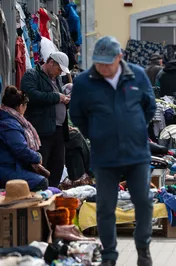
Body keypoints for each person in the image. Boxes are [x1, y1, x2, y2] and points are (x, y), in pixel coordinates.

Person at [70, 36, 156, 266]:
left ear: (119, 57)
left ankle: (143, 249)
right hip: (104, 155)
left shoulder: (137, 75)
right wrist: (97, 134)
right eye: (98, 63)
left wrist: (134, 129)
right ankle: (109, 255)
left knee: (144, 202)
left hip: (136, 153)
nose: (102, 68)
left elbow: (150, 107)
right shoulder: (84, 82)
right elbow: (77, 116)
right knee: (105, 206)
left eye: (107, 63)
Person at [20, 52, 70, 187]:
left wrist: (66, 98)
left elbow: (58, 97)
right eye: (59, 69)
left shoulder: (57, 79)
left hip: (58, 130)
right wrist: (57, 97)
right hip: (41, 131)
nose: (59, 73)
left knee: (57, 166)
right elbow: (31, 95)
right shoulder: (31, 75)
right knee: (42, 166)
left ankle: (52, 195)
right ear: (51, 62)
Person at [0, 86, 48, 192]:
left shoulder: (9, 119)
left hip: (10, 166)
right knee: (41, 182)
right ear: (21, 106)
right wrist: (37, 157)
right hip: (6, 168)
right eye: (26, 106)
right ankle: (23, 208)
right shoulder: (9, 124)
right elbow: (20, 149)